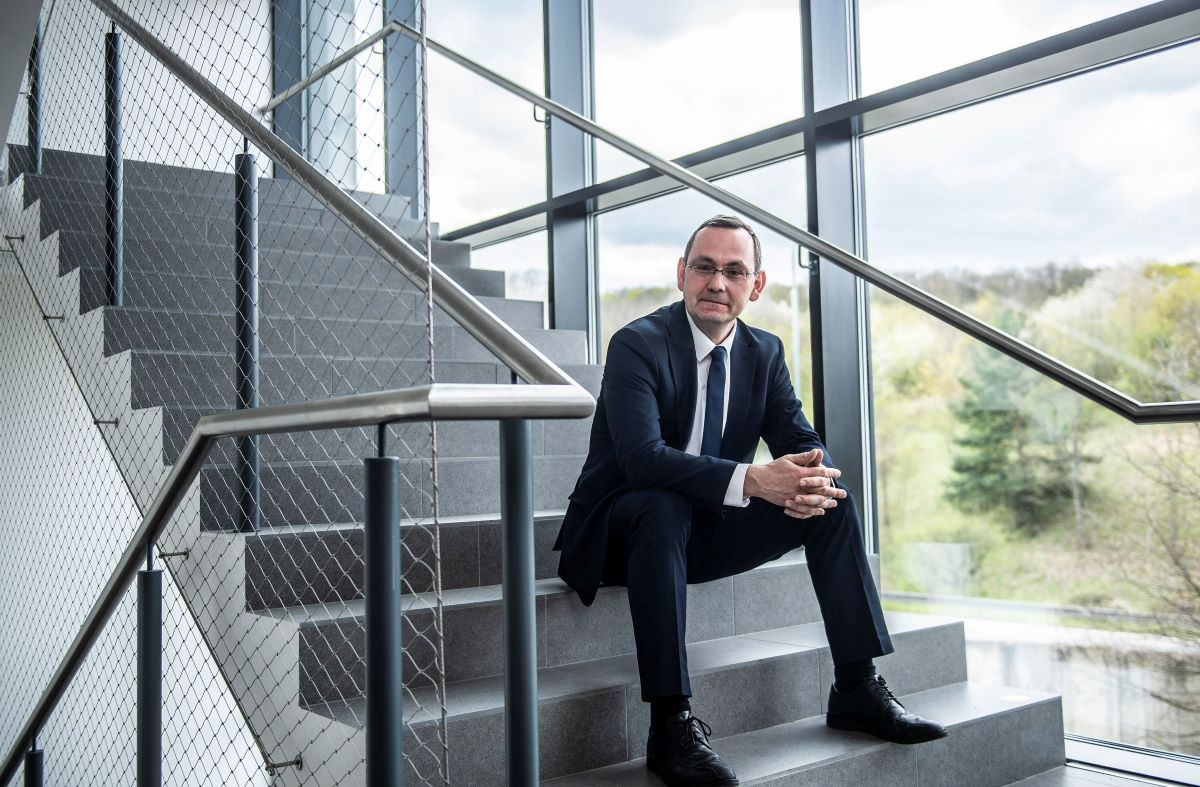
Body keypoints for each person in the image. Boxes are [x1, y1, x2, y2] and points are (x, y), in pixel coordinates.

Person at [553, 215, 946, 786]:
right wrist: (757, 480)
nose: (717, 282)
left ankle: (856, 686)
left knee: (830, 498)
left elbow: (798, 436)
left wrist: (809, 474)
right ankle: (670, 723)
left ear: (755, 286)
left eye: (734, 271)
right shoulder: (637, 344)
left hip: (704, 531)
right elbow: (642, 461)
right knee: (662, 505)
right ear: (682, 274)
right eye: (705, 267)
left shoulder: (764, 352)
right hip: (622, 533)